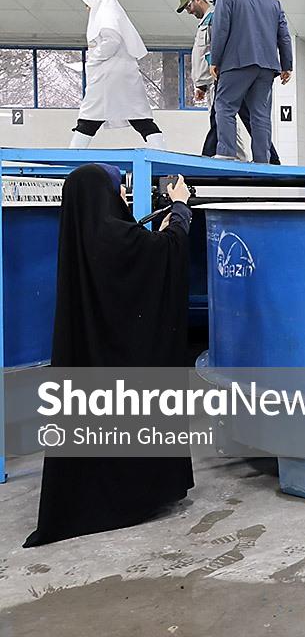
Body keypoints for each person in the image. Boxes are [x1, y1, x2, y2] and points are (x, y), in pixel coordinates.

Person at [24, 164, 195, 547]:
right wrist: (181, 207)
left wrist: (160, 233)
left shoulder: (81, 239)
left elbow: (142, 252)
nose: (122, 197)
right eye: (117, 190)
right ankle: (132, 496)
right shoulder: (118, 238)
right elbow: (166, 253)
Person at [209, 0, 292, 163]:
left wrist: (215, 60)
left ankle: (226, 152)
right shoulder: (274, 3)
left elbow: (220, 30)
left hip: (236, 62)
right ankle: (262, 159)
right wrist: (287, 66)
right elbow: (284, 36)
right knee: (260, 114)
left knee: (225, 105)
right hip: (267, 67)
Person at [69, 0, 165, 150]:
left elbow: (112, 39)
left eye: (88, 4)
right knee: (139, 117)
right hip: (124, 74)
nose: (87, 9)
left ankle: (74, 154)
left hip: (108, 74)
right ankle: (160, 150)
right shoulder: (113, 15)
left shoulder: (106, 15)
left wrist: (95, 57)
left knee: (89, 117)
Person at [176, 0, 249, 161]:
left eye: (188, 6)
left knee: (221, 121)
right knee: (222, 123)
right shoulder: (204, 22)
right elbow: (203, 55)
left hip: (217, 80)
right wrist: (200, 85)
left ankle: (224, 157)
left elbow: (216, 50)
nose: (189, 11)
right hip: (208, 83)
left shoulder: (215, 17)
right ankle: (238, 157)